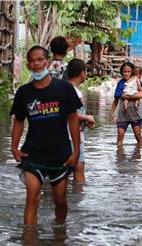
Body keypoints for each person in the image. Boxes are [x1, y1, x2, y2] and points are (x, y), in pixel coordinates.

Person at [10, 46, 82, 225]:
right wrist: (14, 148)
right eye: (32, 61)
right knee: (32, 197)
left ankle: (59, 238)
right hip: (33, 154)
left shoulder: (64, 88)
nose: (36, 64)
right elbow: (19, 120)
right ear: (28, 65)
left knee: (60, 202)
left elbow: (73, 118)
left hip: (60, 155)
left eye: (39, 60)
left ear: (47, 62)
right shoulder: (24, 93)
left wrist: (76, 151)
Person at [66, 59, 96, 187]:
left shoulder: (64, 89)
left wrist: (84, 120)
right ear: (83, 73)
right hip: (73, 137)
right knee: (79, 170)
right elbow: (69, 114)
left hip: (62, 136)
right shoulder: (74, 92)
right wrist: (88, 118)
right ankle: (77, 201)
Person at [110, 62, 142, 146]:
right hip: (122, 115)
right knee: (120, 136)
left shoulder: (136, 80)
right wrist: (111, 112)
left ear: (132, 72)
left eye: (128, 71)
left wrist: (127, 96)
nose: (126, 73)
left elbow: (141, 94)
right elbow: (116, 100)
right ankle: (119, 156)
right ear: (122, 72)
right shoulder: (121, 83)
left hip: (134, 114)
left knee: (138, 136)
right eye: (124, 71)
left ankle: (138, 155)